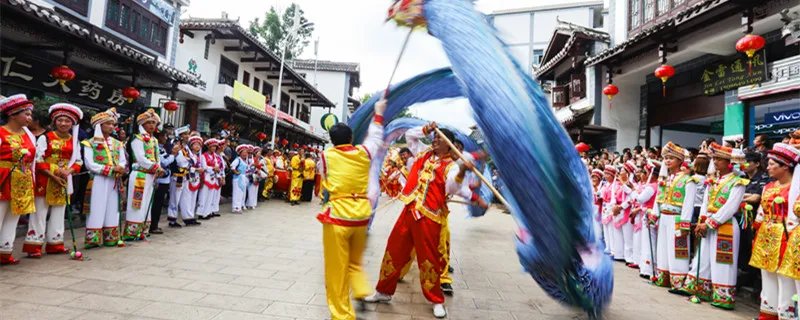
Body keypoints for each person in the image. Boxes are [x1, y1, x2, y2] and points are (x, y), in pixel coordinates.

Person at [365, 122, 473, 319]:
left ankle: (436, 300)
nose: (435, 140)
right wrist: (427, 129)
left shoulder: (451, 166)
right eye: (435, 137)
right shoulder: (423, 152)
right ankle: (383, 291)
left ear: (448, 145)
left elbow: (452, 187)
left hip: (429, 217)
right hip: (409, 211)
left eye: (439, 139)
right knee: (394, 250)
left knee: (429, 259)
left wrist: (463, 171)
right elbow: (410, 136)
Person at [316, 100, 386, 320]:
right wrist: (378, 114)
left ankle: (342, 316)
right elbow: (375, 138)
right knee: (355, 262)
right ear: (351, 139)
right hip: (361, 216)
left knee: (336, 272)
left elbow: (324, 179)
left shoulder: (326, 157)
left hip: (338, 217)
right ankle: (362, 291)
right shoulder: (364, 153)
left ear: (331, 141)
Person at [682, 143, 747, 309]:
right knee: (703, 256)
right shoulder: (713, 181)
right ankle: (701, 290)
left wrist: (710, 223)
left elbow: (730, 208)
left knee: (723, 261)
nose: (716, 161)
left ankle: (723, 297)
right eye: (715, 158)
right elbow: (705, 202)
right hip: (708, 223)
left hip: (725, 225)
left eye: (719, 159)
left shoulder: (738, 182)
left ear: (729, 162)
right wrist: (702, 221)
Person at [22, 103, 83, 257]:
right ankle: (34, 245)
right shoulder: (46, 137)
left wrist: (69, 171)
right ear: (54, 121)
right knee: (39, 212)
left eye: (67, 121)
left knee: (59, 212)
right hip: (46, 179)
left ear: (73, 123)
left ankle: (55, 243)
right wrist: (55, 173)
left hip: (63, 180)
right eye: (60, 120)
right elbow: (38, 159)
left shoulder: (74, 141)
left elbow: (78, 161)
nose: (63, 123)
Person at [750, 143, 800, 320]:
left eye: (772, 164)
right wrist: (756, 234)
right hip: (766, 236)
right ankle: (768, 314)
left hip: (787, 237)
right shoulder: (768, 187)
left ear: (785, 166)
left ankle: (787, 315)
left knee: (785, 280)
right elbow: (761, 213)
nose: (768, 167)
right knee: (768, 278)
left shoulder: (796, 188)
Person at [652, 142, 698, 292]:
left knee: (677, 250)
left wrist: (685, 223)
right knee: (663, 247)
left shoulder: (688, 180)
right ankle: (664, 277)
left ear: (680, 160)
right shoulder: (665, 178)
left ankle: (678, 281)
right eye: (666, 158)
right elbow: (658, 198)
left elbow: (688, 203)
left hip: (677, 218)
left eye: (671, 158)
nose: (667, 161)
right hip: (664, 216)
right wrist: (655, 213)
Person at [0, 95, 38, 265]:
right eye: (26, 114)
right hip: (4, 178)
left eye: (30, 115)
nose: (29, 118)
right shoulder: (1, 132)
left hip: (22, 180)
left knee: (13, 216)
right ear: (13, 114)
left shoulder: (29, 135)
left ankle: (5, 251)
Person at [82, 108, 127, 249]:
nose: (112, 127)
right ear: (99, 126)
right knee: (96, 206)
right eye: (108, 124)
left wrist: (120, 167)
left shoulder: (117, 143)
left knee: (113, 207)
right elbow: (90, 164)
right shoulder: (89, 143)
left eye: (112, 124)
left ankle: (111, 237)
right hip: (98, 179)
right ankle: (93, 239)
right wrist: (110, 169)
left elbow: (123, 160)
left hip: (114, 179)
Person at [123, 109, 164, 241]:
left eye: (154, 122)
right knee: (137, 203)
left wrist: (158, 167)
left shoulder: (154, 140)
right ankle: (132, 231)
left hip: (151, 175)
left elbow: (157, 157)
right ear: (142, 124)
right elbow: (140, 158)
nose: (152, 125)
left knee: (147, 202)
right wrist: (156, 167)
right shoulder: (137, 138)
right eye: (148, 122)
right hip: (140, 174)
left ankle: (143, 230)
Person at [741, 150, 771, 289]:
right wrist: (746, 195)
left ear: (757, 164)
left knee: (751, 247)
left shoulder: (764, 178)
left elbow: (756, 198)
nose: (744, 165)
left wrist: (740, 196)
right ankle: (745, 274)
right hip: (741, 217)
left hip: (755, 219)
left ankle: (753, 279)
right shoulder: (742, 177)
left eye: (747, 162)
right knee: (743, 249)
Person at [634, 161, 659, 279]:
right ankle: (650, 268)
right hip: (655, 215)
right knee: (652, 242)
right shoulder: (660, 185)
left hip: (649, 214)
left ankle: (648, 269)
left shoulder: (651, 187)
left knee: (648, 242)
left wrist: (634, 192)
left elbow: (640, 199)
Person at [150, 130, 175, 234]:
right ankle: (153, 225)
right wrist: (173, 155)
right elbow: (163, 162)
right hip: (159, 179)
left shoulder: (162, 148)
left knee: (159, 203)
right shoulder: (156, 148)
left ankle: (155, 224)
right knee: (156, 203)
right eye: (164, 136)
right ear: (159, 137)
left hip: (165, 178)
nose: (166, 138)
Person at [167, 126, 190, 226]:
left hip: (184, 175)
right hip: (177, 175)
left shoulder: (185, 147)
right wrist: (188, 162)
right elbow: (181, 161)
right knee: (174, 198)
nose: (187, 136)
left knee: (183, 197)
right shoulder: (176, 146)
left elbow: (191, 160)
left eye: (187, 134)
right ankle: (172, 219)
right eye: (185, 134)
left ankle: (186, 217)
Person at [177, 135, 204, 223]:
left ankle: (191, 215)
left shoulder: (197, 156)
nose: (197, 146)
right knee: (187, 197)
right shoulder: (187, 153)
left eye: (199, 145)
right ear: (191, 145)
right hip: (188, 177)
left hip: (195, 178)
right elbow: (184, 165)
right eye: (195, 144)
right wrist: (196, 169)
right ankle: (187, 217)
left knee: (193, 197)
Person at [197, 139, 221, 220]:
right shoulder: (204, 156)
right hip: (205, 177)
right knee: (203, 195)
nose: (214, 148)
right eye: (212, 146)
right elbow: (204, 167)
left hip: (213, 177)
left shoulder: (215, 156)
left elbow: (217, 165)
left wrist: (217, 169)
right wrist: (213, 168)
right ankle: (201, 213)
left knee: (210, 196)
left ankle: (207, 212)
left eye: (215, 146)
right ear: (208, 147)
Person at [600, 165, 618, 256]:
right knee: (606, 228)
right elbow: (600, 194)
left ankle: (613, 249)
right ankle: (608, 246)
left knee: (611, 229)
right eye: (605, 174)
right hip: (605, 206)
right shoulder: (605, 185)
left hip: (610, 207)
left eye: (608, 174)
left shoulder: (615, 185)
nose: (606, 176)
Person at [230, 145, 250, 213]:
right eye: (243, 152)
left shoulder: (244, 161)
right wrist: (236, 172)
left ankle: (239, 206)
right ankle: (235, 207)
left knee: (241, 193)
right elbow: (232, 167)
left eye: (246, 152)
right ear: (240, 153)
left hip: (243, 178)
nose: (245, 154)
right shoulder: (237, 159)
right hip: (237, 178)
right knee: (236, 193)